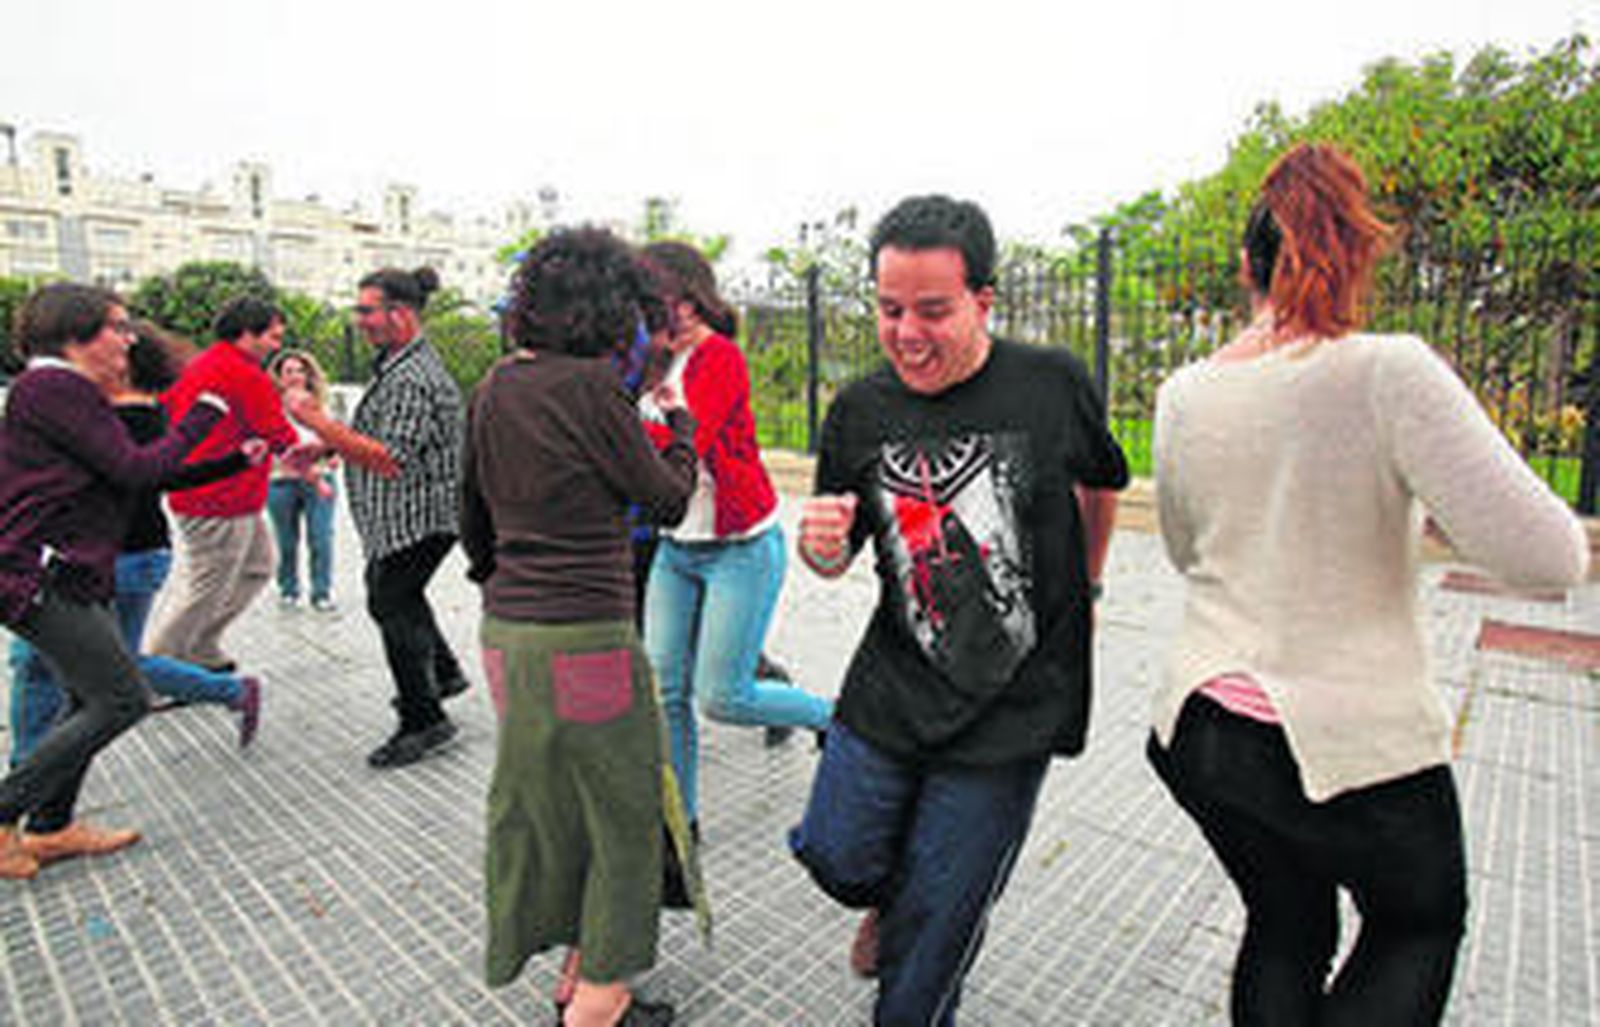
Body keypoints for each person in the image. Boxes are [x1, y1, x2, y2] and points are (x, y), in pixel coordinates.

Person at [1145, 143, 1590, 1026]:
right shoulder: (1389, 371)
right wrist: (1414, 510)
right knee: (1415, 923)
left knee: (1285, 922)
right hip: (1351, 747)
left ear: (1247, 267)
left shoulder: (1185, 392)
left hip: (1202, 728)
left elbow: (1186, 548)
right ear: (1359, 259)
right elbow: (1550, 556)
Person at [787, 195, 1128, 1025]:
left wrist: (1082, 584)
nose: (907, 332)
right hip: (892, 684)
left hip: (1013, 708)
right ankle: (893, 899)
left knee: (938, 928)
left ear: (983, 299)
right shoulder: (861, 410)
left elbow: (1103, 481)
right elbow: (835, 551)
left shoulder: (1052, 384)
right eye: (889, 308)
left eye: (933, 310)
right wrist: (820, 548)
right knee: (836, 851)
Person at [462, 228, 699, 1027]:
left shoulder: (495, 384)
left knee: (549, 804)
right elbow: (663, 498)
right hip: (587, 634)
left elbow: (472, 521)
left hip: (506, 635)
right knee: (624, 812)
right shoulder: (593, 389)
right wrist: (684, 432)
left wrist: (506, 582)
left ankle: (573, 973)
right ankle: (596, 1003)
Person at [0, 284, 228, 878]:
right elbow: (136, 468)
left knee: (85, 695)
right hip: (40, 573)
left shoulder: (57, 389)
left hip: (74, 571)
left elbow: (127, 472)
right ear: (75, 334)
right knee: (121, 698)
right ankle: (4, 814)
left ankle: (51, 827)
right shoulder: (54, 386)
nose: (129, 339)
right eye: (117, 327)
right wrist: (204, 416)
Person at [638, 240, 833, 828]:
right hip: (678, 548)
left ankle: (834, 718)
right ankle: (680, 825)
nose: (643, 310)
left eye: (653, 297)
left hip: (740, 547)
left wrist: (618, 438)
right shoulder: (652, 359)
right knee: (664, 692)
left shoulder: (719, 357)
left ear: (689, 300)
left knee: (723, 697)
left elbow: (683, 443)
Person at [8, 322, 265, 764]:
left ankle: (28, 783)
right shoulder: (121, 411)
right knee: (85, 667)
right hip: (123, 554)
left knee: (71, 668)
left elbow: (142, 474)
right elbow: (154, 474)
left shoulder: (127, 415)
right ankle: (35, 784)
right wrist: (233, 461)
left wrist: (220, 446)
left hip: (122, 556)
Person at [286, 267, 466, 769]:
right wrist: (324, 447)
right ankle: (443, 674)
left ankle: (424, 719)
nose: (358, 319)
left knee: (391, 600)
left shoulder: (411, 376)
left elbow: (391, 458)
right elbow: (384, 439)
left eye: (367, 310)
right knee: (397, 597)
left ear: (400, 315)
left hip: (419, 516)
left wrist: (315, 421)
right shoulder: (396, 364)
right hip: (402, 515)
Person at [149, 296, 303, 672]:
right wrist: (322, 455)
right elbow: (278, 433)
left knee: (257, 567)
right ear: (246, 334)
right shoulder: (242, 373)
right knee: (206, 585)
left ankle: (199, 645)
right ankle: (160, 670)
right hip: (218, 497)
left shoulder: (200, 364)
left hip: (225, 495)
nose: (277, 345)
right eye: (272, 337)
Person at [266, 349, 339, 612]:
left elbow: (335, 438)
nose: (296, 376)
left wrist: (333, 455)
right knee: (286, 541)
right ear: (279, 377)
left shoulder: (321, 405)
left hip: (320, 478)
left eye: (300, 370)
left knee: (321, 537)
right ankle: (289, 589)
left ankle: (321, 592)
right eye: (289, 371)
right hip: (281, 480)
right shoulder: (270, 406)